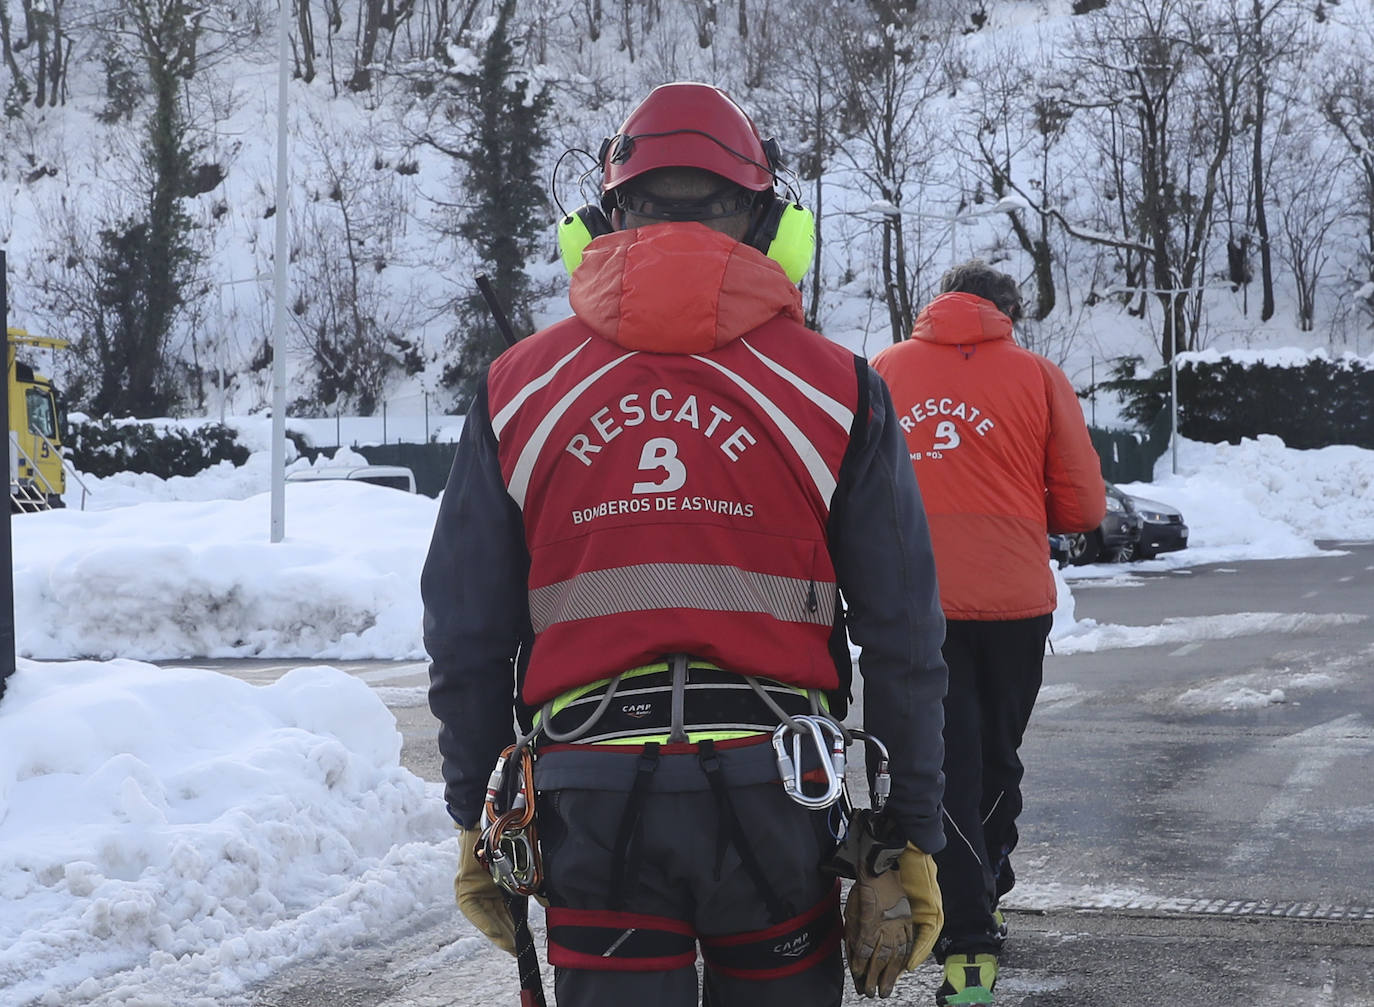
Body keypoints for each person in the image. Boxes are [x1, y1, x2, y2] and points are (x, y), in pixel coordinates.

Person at [423, 81, 949, 1007]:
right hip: (780, 790)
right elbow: (904, 635)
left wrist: (477, 812)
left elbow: (466, 628)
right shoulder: (840, 390)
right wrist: (907, 833)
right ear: (771, 227)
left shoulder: (517, 388)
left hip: (588, 792)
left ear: (598, 223)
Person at [871, 261, 1106, 1006]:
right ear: (1006, 311)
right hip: (1013, 604)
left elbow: (857, 488)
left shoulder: (883, 370)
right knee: (996, 755)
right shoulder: (1039, 376)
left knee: (945, 762)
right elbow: (1082, 506)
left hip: (917, 603)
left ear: (935, 304)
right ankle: (978, 912)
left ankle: (966, 913)